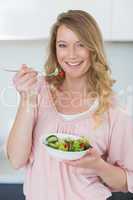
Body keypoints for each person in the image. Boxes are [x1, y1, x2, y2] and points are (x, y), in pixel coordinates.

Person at [6, 10, 133, 200]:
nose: (71, 55)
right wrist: (26, 97)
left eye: (80, 45)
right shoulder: (37, 90)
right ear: (55, 50)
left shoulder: (112, 108)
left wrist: (98, 166)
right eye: (63, 45)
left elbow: (126, 181)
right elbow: (16, 160)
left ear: (93, 49)